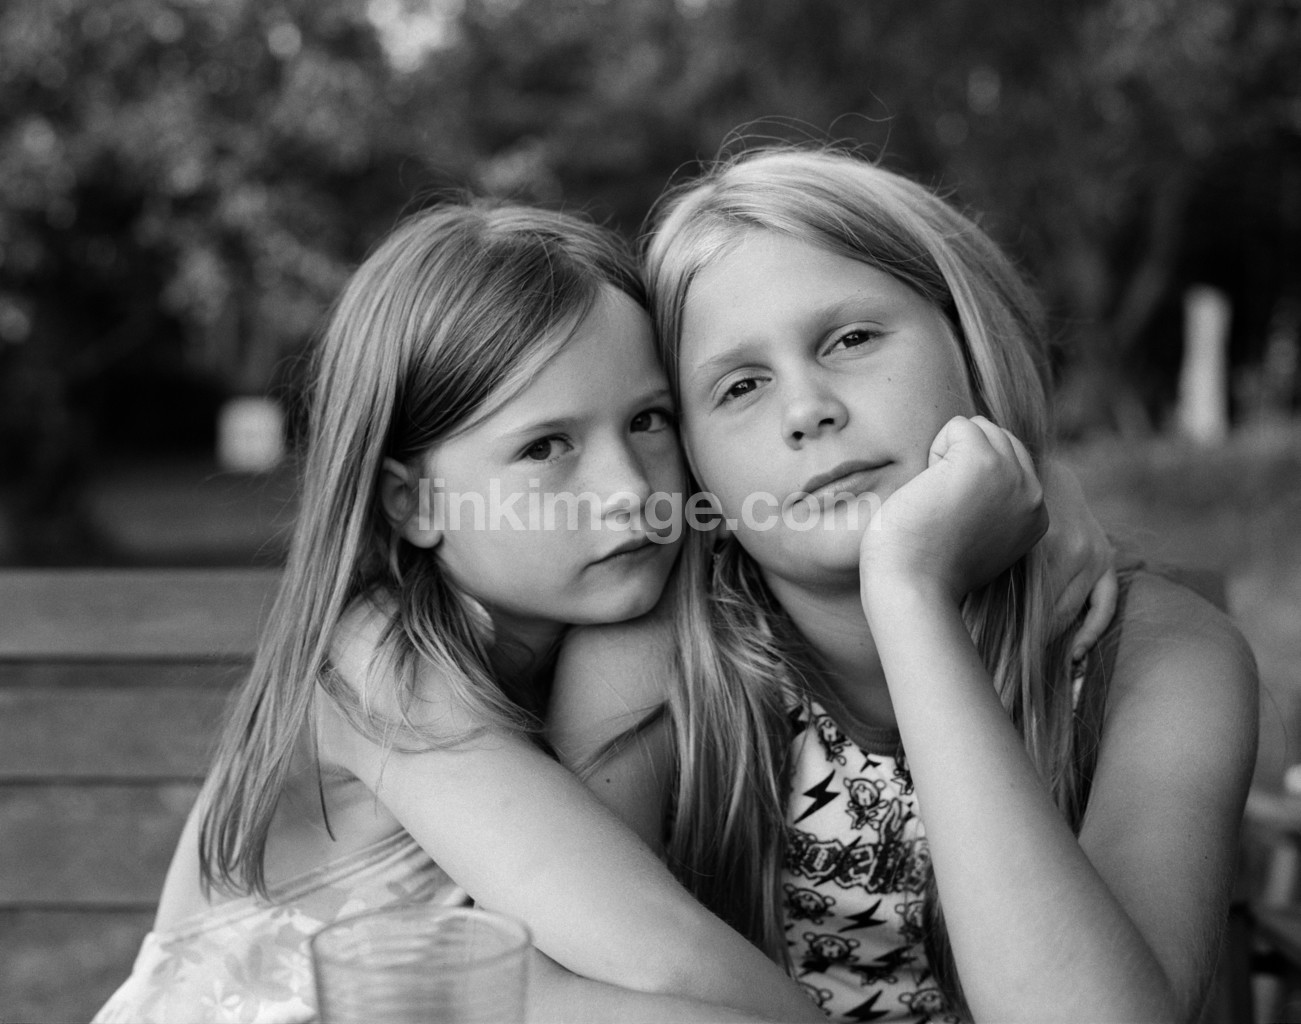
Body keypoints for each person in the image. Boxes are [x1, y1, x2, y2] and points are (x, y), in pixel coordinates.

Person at [549, 148, 1259, 1023]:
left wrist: (909, 593)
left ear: (970, 341)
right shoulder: (656, 659)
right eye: (739, 386)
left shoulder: (1160, 657)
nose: (806, 409)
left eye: (850, 339)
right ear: (692, 462)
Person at [93, 202, 833, 1024]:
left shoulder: (593, 627)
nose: (629, 489)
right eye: (544, 447)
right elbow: (660, 956)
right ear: (412, 502)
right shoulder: (382, 663)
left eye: (647, 420)